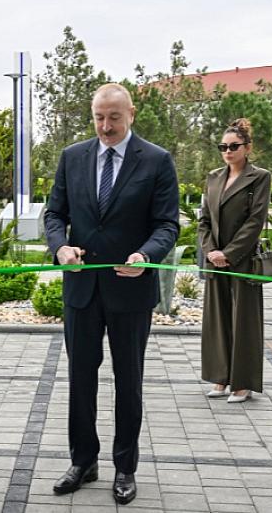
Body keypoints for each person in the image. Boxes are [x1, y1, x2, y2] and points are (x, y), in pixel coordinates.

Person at [44, 83, 180, 505]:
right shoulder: (72, 157)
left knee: (129, 382)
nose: (106, 126)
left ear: (131, 114)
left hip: (130, 290)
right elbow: (54, 214)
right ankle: (83, 461)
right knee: (80, 379)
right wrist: (60, 247)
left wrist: (145, 253)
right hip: (81, 289)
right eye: (99, 117)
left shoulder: (157, 160)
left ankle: (125, 467)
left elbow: (167, 225)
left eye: (114, 117)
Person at [198, 118, 271, 403]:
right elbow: (204, 220)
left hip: (242, 261)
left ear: (247, 147)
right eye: (223, 146)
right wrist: (210, 251)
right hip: (215, 259)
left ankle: (242, 383)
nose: (228, 151)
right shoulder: (214, 177)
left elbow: (255, 221)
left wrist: (228, 253)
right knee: (216, 320)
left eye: (234, 146)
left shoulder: (259, 177)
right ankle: (220, 378)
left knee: (244, 322)